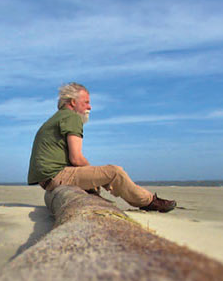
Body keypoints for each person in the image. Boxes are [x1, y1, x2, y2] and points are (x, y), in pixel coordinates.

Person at [27, 82, 176, 212]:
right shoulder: (71, 117)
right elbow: (76, 158)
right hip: (56, 176)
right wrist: (100, 178)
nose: (90, 107)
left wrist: (96, 179)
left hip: (47, 179)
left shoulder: (56, 118)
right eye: (86, 102)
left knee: (104, 176)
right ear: (73, 102)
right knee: (115, 172)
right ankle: (149, 202)